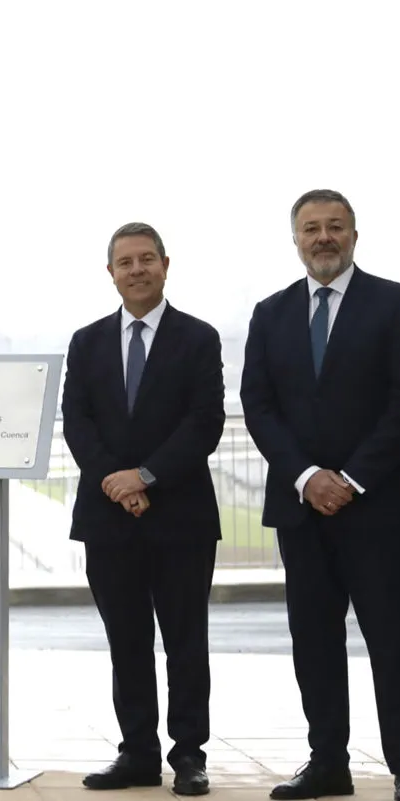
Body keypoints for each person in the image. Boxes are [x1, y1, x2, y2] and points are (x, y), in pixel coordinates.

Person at [241, 189, 400, 801]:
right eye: (312, 228)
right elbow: (258, 404)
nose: (324, 237)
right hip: (301, 510)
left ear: (355, 235)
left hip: (380, 508)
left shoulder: (391, 304)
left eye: (336, 226)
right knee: (313, 642)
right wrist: (308, 477)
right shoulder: (270, 313)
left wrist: (353, 479)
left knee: (391, 640)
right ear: (297, 240)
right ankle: (328, 763)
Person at [61, 222, 224, 796]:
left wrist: (146, 476)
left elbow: (204, 422)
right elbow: (77, 422)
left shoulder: (199, 338)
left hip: (180, 517)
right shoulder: (86, 342)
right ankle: (137, 753)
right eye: (125, 262)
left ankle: (188, 756)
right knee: (126, 642)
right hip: (108, 519)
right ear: (110, 273)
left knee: (185, 640)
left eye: (146, 259)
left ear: (165, 264)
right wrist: (116, 481)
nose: (137, 270)